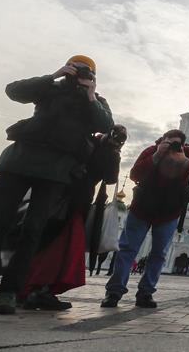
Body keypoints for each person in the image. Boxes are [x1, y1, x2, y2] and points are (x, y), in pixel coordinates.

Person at [0, 56, 113, 314]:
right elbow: (14, 91)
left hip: (56, 171)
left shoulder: (95, 101)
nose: (80, 73)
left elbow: (104, 125)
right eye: (74, 67)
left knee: (33, 230)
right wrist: (53, 75)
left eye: (87, 71)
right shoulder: (49, 88)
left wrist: (91, 94)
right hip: (19, 161)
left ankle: (9, 292)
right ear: (67, 68)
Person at [101, 129, 189, 308]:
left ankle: (146, 293)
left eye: (176, 143)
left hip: (169, 213)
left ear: (183, 144)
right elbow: (135, 174)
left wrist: (186, 161)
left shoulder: (188, 154)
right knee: (127, 249)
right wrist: (157, 155)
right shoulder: (152, 151)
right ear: (162, 140)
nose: (172, 146)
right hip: (142, 209)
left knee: (159, 254)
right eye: (168, 142)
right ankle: (114, 292)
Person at [21, 125, 125, 311]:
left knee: (45, 240)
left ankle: (29, 288)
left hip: (62, 197)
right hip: (71, 201)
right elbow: (108, 178)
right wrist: (113, 152)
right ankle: (38, 289)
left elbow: (108, 177)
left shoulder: (90, 142)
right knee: (60, 245)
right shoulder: (95, 146)